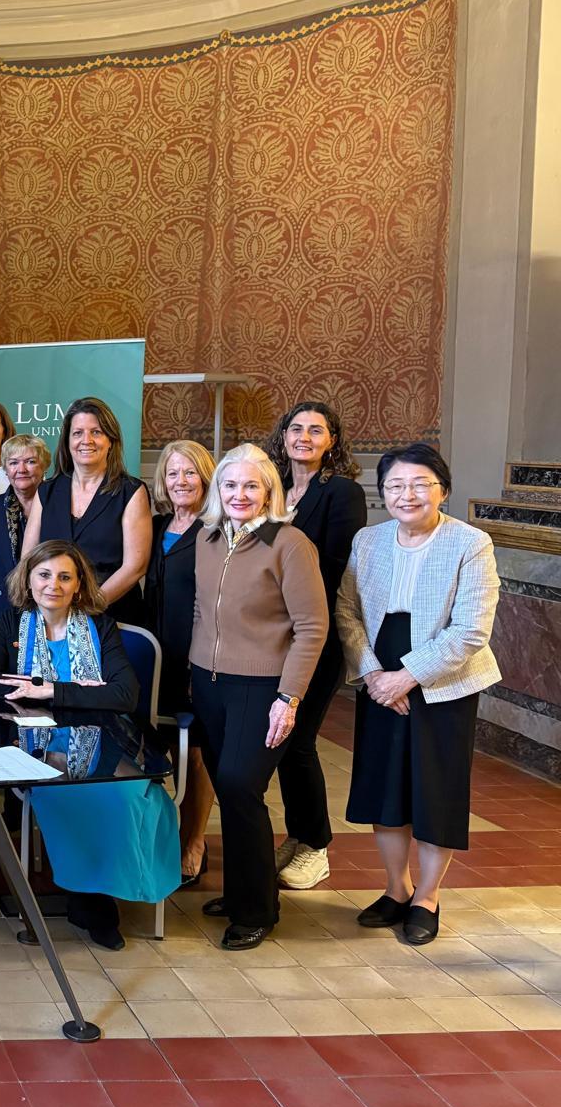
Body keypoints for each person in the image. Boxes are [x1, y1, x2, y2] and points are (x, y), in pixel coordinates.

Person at [337, 444, 500, 946]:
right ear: (383, 493)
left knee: (435, 789)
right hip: (379, 668)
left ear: (442, 490)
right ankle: (396, 888)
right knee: (384, 786)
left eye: (419, 484)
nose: (406, 495)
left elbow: (471, 630)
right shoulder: (368, 540)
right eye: (395, 485)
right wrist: (373, 673)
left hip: (444, 678)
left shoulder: (471, 543)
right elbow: (346, 611)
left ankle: (427, 897)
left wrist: (406, 677)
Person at [189, 444, 327, 950]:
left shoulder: (289, 543)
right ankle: (244, 890)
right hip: (209, 683)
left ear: (269, 490)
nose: (240, 494)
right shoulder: (207, 537)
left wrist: (288, 698)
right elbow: (202, 610)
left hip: (263, 686)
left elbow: (312, 627)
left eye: (251, 485)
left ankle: (257, 912)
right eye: (230, 485)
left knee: (240, 785)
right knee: (230, 792)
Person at [0, 540, 141, 948]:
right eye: (45, 575)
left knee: (121, 796)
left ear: (79, 584)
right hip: (33, 742)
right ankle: (94, 906)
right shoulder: (12, 624)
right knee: (63, 790)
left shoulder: (100, 626)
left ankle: (93, 895)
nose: (54, 585)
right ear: (28, 580)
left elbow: (125, 695)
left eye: (65, 577)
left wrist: (49, 691)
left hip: (97, 742)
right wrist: (51, 692)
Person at [262, 401, 369, 891]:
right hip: (271, 633)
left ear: (332, 441)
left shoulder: (341, 492)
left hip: (315, 632)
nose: (303, 437)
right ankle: (300, 834)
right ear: (283, 436)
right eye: (296, 428)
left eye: (316, 430)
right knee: (282, 741)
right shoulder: (273, 488)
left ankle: (317, 845)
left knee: (299, 740)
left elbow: (335, 564)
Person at [144, 439, 217, 889]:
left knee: (194, 753)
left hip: (197, 657)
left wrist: (199, 661)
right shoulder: (154, 527)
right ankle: (164, 838)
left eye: (190, 472)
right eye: (173, 473)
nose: (181, 481)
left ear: (206, 478)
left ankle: (194, 841)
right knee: (162, 746)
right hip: (155, 657)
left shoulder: (216, 530)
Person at [22, 397, 151, 626]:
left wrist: (86, 608)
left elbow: (135, 567)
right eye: (78, 433)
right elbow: (28, 558)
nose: (86, 440)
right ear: (67, 441)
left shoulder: (131, 491)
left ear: (111, 441)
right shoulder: (47, 491)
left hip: (111, 617)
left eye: (96, 432)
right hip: (51, 618)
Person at [0, 434, 51, 648]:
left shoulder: (59, 510)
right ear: (5, 469)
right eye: (13, 463)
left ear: (44, 466)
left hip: (49, 622)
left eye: (30, 461)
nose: (21, 469)